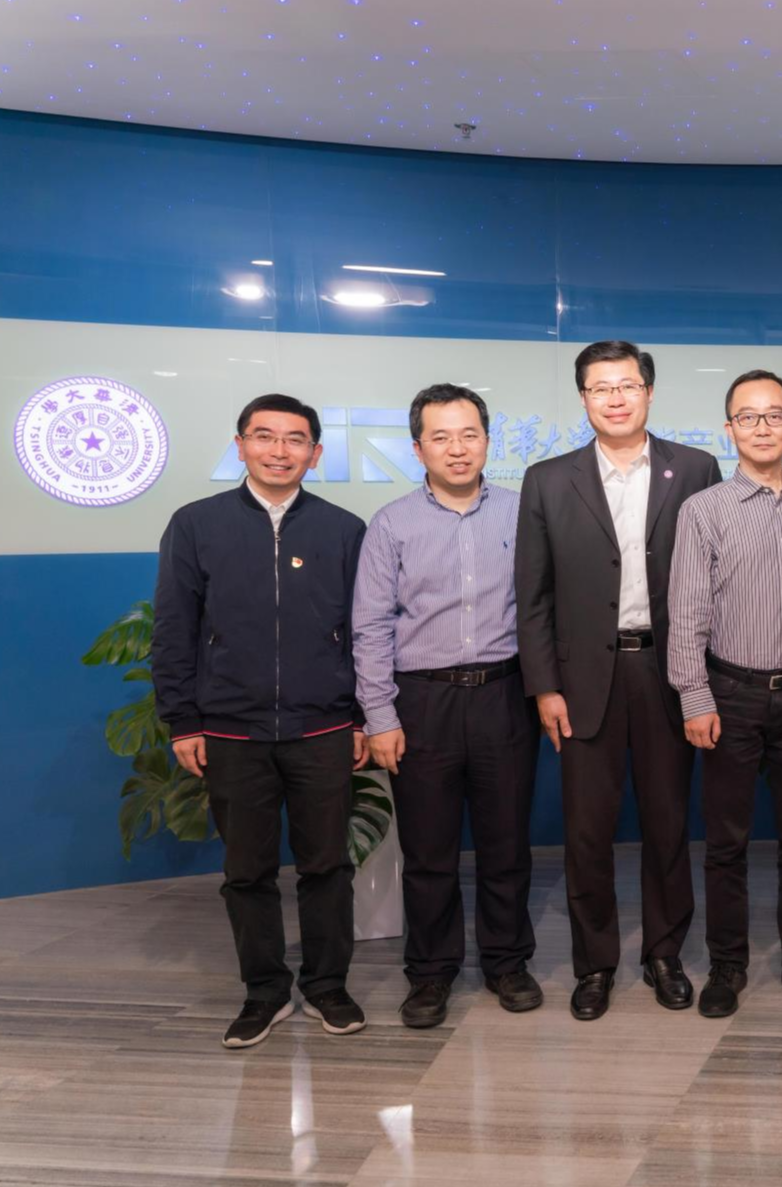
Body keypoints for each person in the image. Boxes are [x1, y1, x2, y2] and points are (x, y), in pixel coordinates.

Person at [151, 393, 370, 1048]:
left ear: (316, 453)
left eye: (295, 439)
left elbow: (365, 631)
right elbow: (174, 628)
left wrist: (362, 715)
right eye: (265, 436)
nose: (280, 451)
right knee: (247, 872)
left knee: (326, 867)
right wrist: (182, 720)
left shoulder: (343, 529)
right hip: (231, 731)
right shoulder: (196, 524)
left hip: (323, 729)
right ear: (240, 444)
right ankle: (264, 991)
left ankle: (327, 986)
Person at [515, 340, 723, 1021]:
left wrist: (703, 681)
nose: (615, 398)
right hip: (582, 682)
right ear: (583, 398)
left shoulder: (695, 469)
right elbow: (533, 595)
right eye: (600, 387)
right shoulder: (548, 479)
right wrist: (545, 687)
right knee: (586, 832)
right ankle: (595, 965)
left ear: (649, 392)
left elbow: (714, 579)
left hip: (668, 671)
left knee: (668, 825)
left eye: (627, 385)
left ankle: (664, 954)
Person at [352, 384, 542, 1030]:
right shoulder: (391, 524)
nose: (457, 449)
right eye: (441, 437)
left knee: (506, 844)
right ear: (418, 448)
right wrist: (380, 717)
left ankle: (507, 962)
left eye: (469, 435)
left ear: (487, 441)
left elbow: (544, 609)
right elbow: (370, 627)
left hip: (504, 696)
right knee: (429, 851)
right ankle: (430, 973)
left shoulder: (522, 514)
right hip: (422, 702)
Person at [666, 370, 782, 1018]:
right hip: (730, 695)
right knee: (726, 842)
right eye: (748, 417)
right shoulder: (704, 510)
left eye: (774, 415)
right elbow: (687, 612)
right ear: (729, 429)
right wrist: (695, 697)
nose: (762, 427)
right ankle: (727, 965)